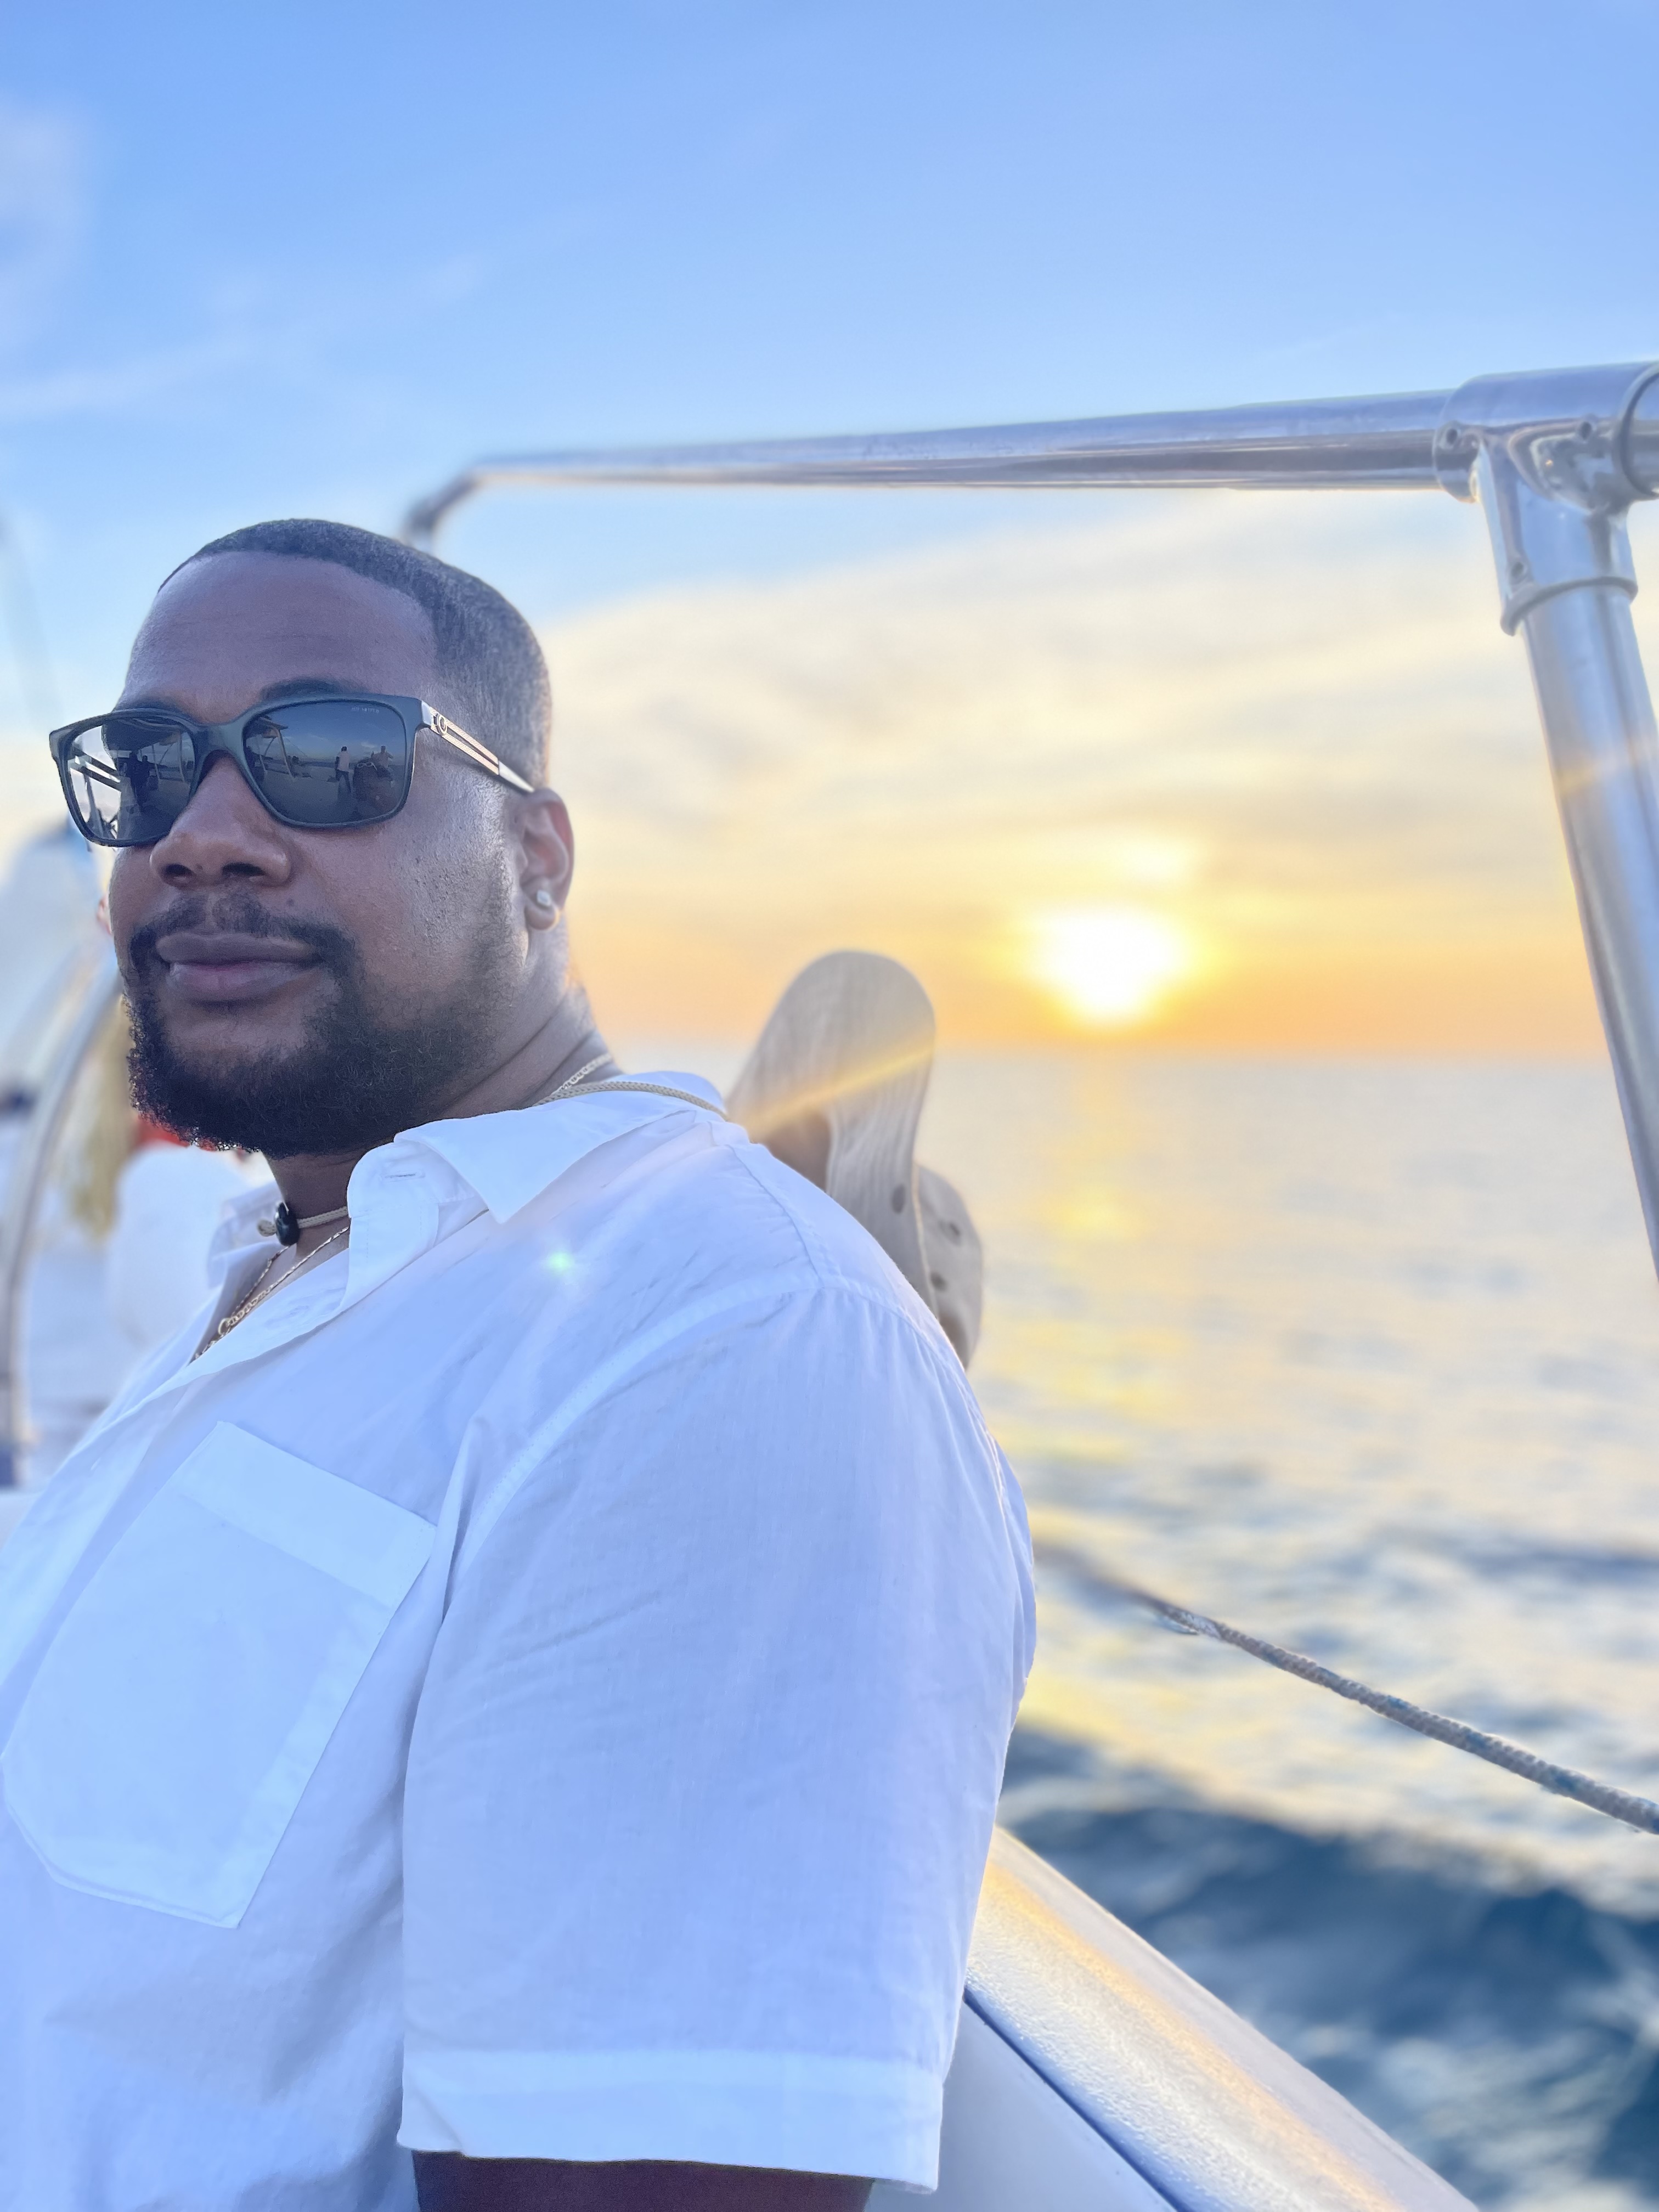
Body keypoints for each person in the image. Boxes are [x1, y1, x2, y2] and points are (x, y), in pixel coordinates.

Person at [3, 521, 1035, 2212]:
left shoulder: (724, 1349)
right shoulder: (283, 1263)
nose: (203, 836)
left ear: (538, 860)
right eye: (150, 766)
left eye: (325, 758)